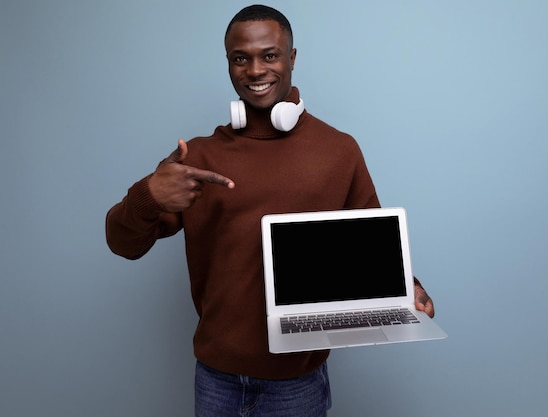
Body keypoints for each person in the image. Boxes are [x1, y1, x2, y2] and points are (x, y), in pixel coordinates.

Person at [106, 4, 435, 417]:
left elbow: (371, 248)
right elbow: (122, 244)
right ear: (228, 63)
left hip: (298, 383)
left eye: (270, 55)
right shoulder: (199, 157)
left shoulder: (339, 150)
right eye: (240, 58)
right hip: (216, 379)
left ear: (292, 58)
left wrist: (410, 288)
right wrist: (149, 195)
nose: (255, 70)